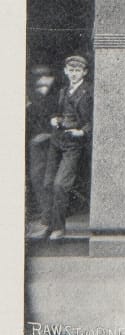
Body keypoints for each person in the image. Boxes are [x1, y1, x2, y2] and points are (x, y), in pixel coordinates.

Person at [28, 55, 93, 241]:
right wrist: (54, 119)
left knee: (60, 185)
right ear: (65, 71)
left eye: (77, 70)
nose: (74, 74)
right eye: (71, 70)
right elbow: (57, 112)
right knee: (48, 183)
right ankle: (47, 224)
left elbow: (93, 118)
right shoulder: (63, 91)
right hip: (57, 141)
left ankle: (58, 227)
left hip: (74, 144)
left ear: (84, 72)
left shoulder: (88, 92)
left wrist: (82, 132)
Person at [26, 65, 58, 231]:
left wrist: (47, 135)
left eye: (46, 77)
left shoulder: (57, 96)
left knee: (45, 179)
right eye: (39, 78)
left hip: (51, 143)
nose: (43, 81)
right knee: (37, 178)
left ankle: (48, 216)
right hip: (34, 143)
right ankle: (44, 214)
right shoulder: (31, 96)